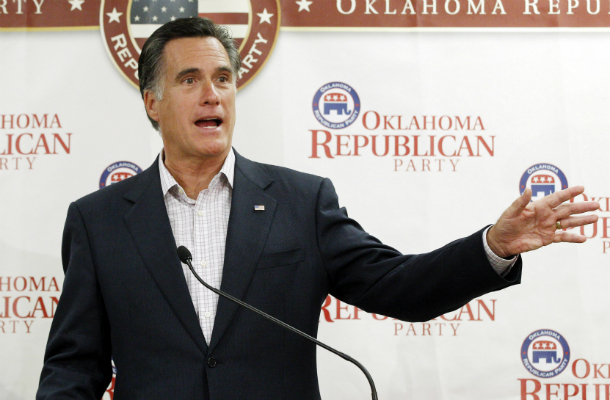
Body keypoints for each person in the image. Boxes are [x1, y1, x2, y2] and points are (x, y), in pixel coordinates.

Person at [36, 17, 600, 400]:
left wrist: (492, 248)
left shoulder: (301, 203)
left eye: (224, 79)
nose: (213, 94)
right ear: (152, 102)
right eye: (190, 80)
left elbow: (400, 285)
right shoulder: (100, 219)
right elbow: (74, 364)